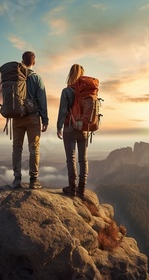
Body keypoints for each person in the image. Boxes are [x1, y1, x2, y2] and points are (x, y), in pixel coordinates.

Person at [11, 51, 48, 189]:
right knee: (34, 148)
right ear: (34, 62)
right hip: (33, 117)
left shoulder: (15, 77)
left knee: (17, 148)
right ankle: (33, 180)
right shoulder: (37, 78)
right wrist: (45, 119)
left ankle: (17, 179)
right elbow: (42, 99)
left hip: (17, 117)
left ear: (22, 60)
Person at [56, 64, 88, 197]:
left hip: (70, 128)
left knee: (71, 158)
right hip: (84, 129)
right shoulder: (88, 92)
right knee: (83, 159)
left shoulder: (67, 91)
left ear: (70, 74)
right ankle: (81, 189)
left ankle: (72, 187)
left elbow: (63, 110)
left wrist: (59, 126)